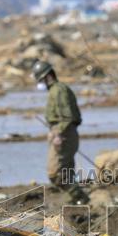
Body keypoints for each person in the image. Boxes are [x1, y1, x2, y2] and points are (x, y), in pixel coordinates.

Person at [32, 60, 88, 204]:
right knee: (65, 173)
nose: (40, 83)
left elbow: (68, 117)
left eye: (41, 80)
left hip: (64, 135)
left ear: (48, 76)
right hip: (63, 133)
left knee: (55, 173)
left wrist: (58, 133)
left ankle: (80, 198)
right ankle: (77, 201)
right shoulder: (55, 90)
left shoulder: (59, 90)